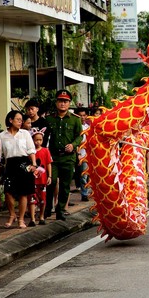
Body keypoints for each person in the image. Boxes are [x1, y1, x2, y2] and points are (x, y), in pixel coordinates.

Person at [44, 89, 83, 221]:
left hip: (68, 157)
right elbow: (44, 138)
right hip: (53, 157)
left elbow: (79, 137)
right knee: (51, 181)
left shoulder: (75, 120)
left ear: (69, 103)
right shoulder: (49, 119)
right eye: (60, 101)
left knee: (65, 185)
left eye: (65, 101)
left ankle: (60, 210)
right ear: (56, 103)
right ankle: (48, 207)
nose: (63, 104)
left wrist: (73, 145)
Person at [0, 110, 38, 229]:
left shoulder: (25, 133)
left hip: (24, 164)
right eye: (18, 120)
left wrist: (34, 164)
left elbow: (31, 150)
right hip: (10, 164)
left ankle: (21, 219)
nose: (20, 122)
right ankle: (12, 215)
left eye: (21, 120)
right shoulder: (2, 135)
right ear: (11, 120)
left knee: (23, 193)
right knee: (8, 191)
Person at [29, 128, 52, 225]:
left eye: (40, 140)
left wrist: (50, 176)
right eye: (36, 140)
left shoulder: (46, 150)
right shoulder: (30, 152)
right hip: (32, 180)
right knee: (32, 199)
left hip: (42, 179)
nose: (38, 142)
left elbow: (48, 164)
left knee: (43, 199)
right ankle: (32, 219)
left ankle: (41, 216)